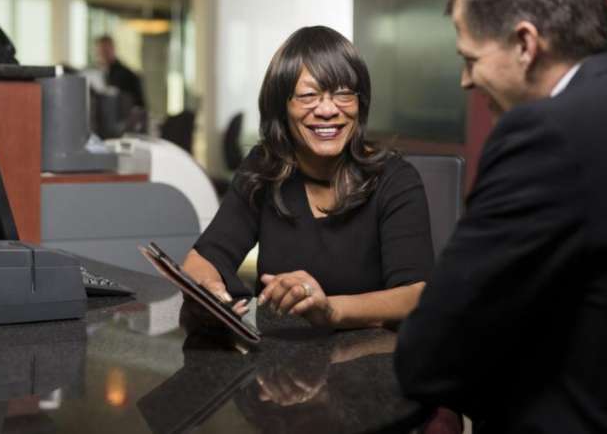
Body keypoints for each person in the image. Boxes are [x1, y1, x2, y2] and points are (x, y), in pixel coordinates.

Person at [395, 0, 607, 432]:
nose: (465, 80)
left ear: (525, 43)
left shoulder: (546, 135)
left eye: (470, 58)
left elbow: (429, 355)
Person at [181, 25, 434, 329]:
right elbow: (205, 257)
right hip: (279, 361)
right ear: (282, 107)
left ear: (360, 103)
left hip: (372, 360)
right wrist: (211, 294)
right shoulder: (264, 169)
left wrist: (331, 310)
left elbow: (416, 294)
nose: (328, 110)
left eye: (343, 94)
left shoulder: (396, 179)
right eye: (308, 95)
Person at [94, 34, 145, 109]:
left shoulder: (128, 75)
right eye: (100, 51)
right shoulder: (93, 73)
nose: (102, 54)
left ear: (113, 49)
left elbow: (139, 104)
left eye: (105, 51)